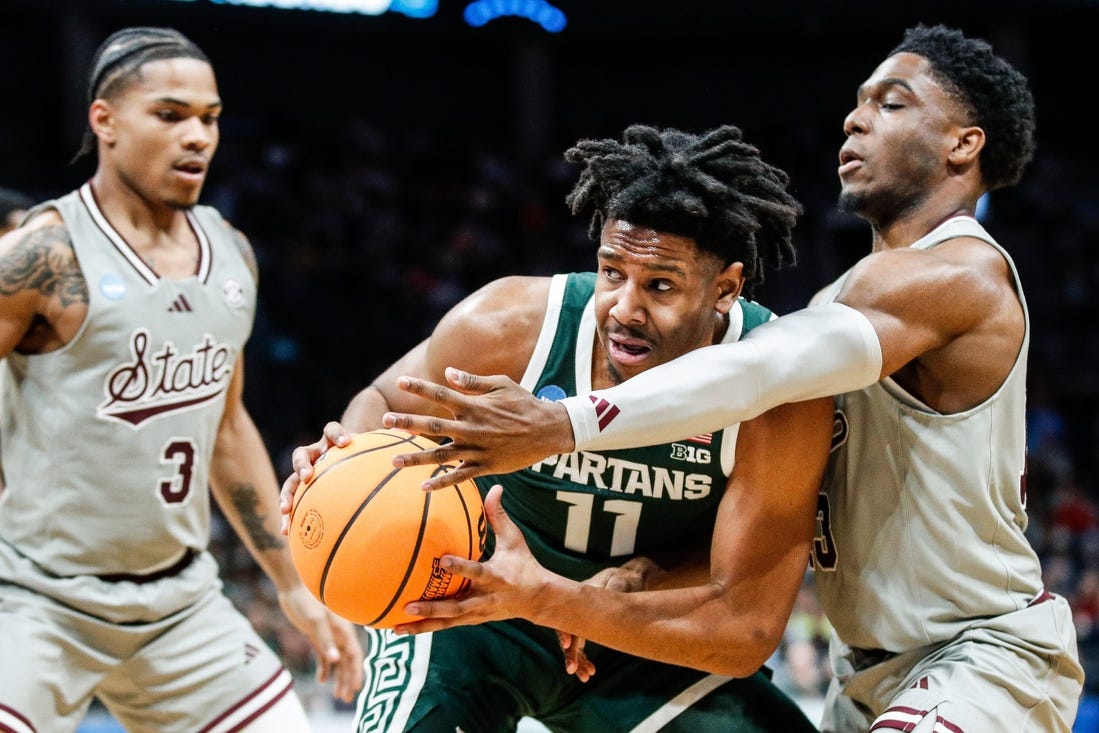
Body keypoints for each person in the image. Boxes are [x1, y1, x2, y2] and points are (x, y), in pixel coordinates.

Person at [352, 24, 1085, 733]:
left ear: (964, 144)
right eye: (857, 101)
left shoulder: (955, 274)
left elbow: (757, 368)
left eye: (889, 103)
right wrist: (646, 571)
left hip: (980, 651)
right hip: (867, 671)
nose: (854, 119)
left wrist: (562, 421)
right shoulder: (843, 303)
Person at [283, 124, 834, 731]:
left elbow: (744, 626)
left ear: (725, 289)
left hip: (641, 637)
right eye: (611, 272)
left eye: (661, 285)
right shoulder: (510, 327)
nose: (624, 307)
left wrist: (628, 582)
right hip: (474, 604)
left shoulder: (779, 388)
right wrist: (341, 458)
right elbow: (384, 398)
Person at [0, 26, 363, 731]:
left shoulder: (230, 253)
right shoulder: (40, 255)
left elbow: (226, 430)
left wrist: (292, 582)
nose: (196, 136)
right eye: (170, 115)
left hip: (181, 606)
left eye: (210, 118)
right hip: (37, 603)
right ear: (103, 121)